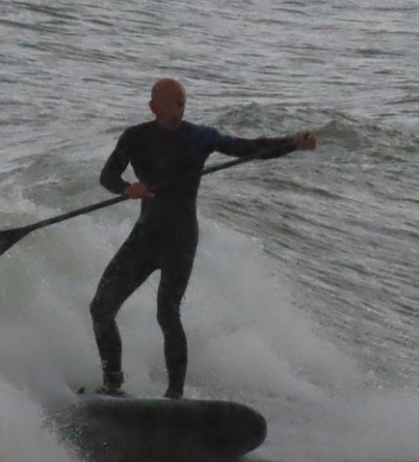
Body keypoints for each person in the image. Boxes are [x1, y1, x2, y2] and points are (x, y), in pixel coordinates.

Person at [88, 78, 316, 398]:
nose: (177, 111)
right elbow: (107, 176)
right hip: (146, 236)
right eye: (170, 105)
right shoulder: (135, 138)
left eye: (181, 104)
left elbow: (248, 148)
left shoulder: (199, 137)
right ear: (153, 107)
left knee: (167, 311)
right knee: (101, 307)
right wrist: (127, 188)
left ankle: (174, 396)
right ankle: (112, 384)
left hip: (180, 239)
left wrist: (292, 142)